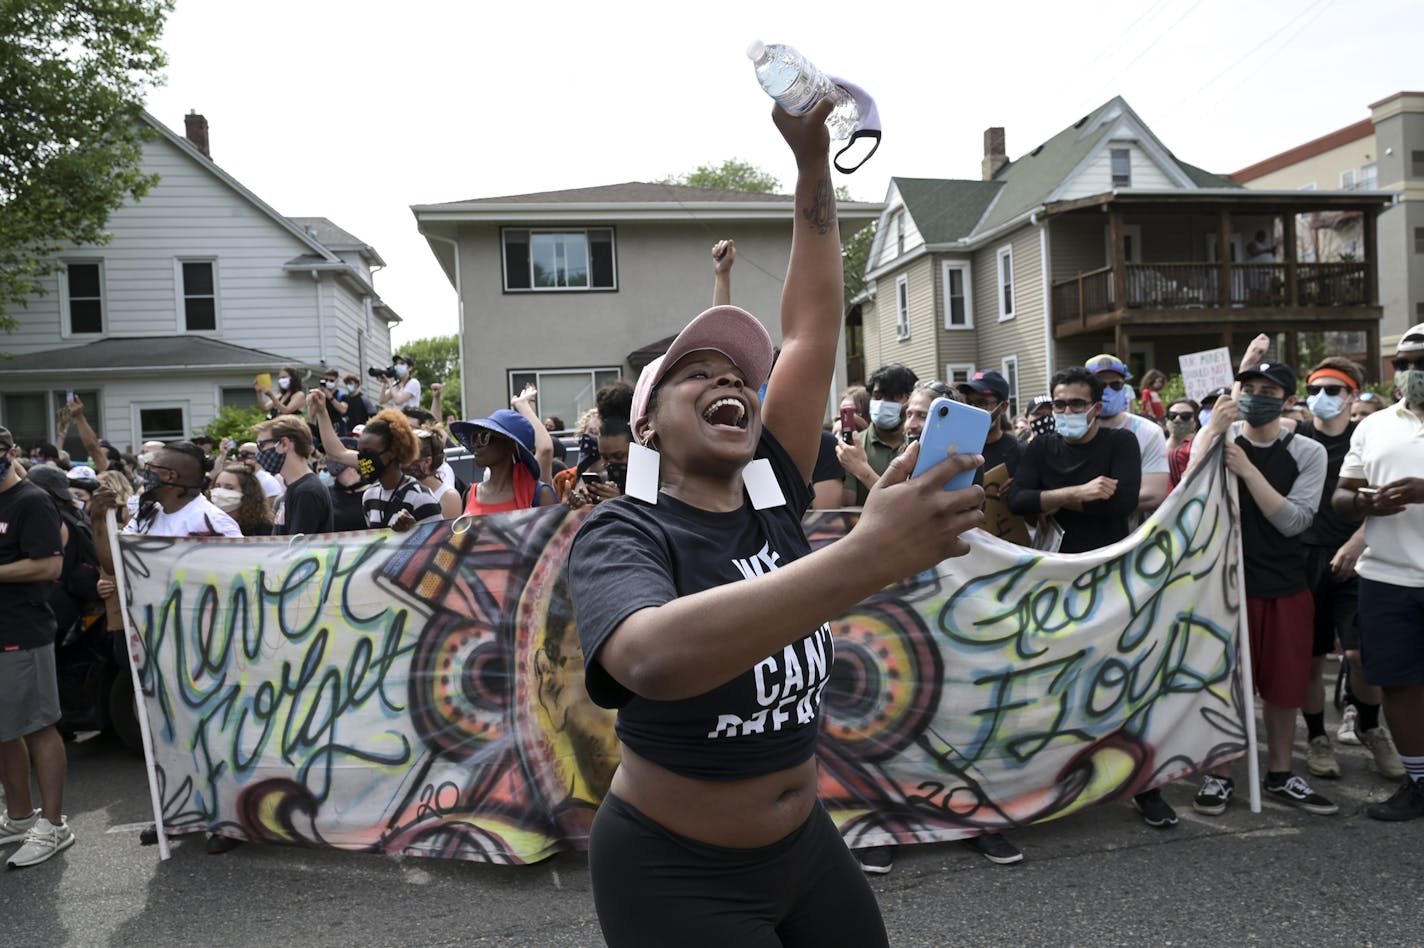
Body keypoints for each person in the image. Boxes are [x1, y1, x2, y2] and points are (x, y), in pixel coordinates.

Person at [568, 98, 985, 948]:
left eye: (739, 374)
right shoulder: (625, 533)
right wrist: (869, 556)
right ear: (645, 427)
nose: (730, 381)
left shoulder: (769, 491)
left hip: (805, 849)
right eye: (697, 373)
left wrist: (810, 166)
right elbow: (651, 656)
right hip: (672, 871)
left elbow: (812, 327)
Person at [1188, 358, 1335, 816]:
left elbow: (1294, 521)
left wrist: (1248, 471)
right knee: (1224, 685)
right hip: (1225, 586)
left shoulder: (1308, 452)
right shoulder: (1220, 440)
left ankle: (1280, 773)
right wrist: (1213, 431)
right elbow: (1189, 487)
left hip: (1286, 583)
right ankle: (1220, 774)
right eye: (1249, 387)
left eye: (1268, 392)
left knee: (1285, 688)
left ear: (1288, 401)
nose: (1256, 397)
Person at [1331, 322, 1424, 820]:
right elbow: (1342, 498)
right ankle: (1418, 782)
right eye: (1404, 363)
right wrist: (1365, 503)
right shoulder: (1373, 425)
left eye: (1422, 362)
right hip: (1387, 577)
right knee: (1399, 685)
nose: (1412, 372)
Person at [1294, 358, 1402, 783]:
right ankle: (1318, 738)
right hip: (1303, 559)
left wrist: (1357, 541)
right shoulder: (1297, 439)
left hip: (1359, 557)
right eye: (1315, 388)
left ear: (1352, 395)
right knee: (1310, 657)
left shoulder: (1369, 440)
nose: (1323, 398)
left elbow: (1385, 500)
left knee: (1360, 655)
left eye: (1334, 390)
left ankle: (1371, 727)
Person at [0, 427, 72, 869]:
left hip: (22, 631)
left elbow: (50, 564)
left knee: (38, 725)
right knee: (4, 729)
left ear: (8, 454)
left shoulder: (31, 501)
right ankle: (18, 816)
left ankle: (54, 824)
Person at [452, 386, 557, 517]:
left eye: (484, 437)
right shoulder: (470, 494)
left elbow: (557, 536)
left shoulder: (540, 494)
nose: (476, 445)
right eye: (474, 437)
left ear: (510, 445)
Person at [1085, 354, 1168, 514]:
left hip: (1132, 535)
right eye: (1100, 384)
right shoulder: (1070, 431)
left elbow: (1154, 495)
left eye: (1116, 385)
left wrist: (1082, 505)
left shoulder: (1148, 432)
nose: (1107, 390)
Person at [838, 363, 918, 506]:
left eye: (893, 398)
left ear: (910, 401)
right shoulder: (853, 446)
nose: (882, 404)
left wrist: (862, 471)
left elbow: (910, 506)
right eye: (877, 396)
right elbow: (846, 506)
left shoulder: (918, 447)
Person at [254, 415, 333, 536]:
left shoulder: (307, 492)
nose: (259, 452)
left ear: (285, 444)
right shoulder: (295, 489)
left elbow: (297, 550)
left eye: (261, 445)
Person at [407, 428, 462, 520]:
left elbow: (447, 533)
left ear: (427, 462)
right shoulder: (404, 489)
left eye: (408, 456)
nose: (400, 461)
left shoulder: (449, 497)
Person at [209, 461, 273, 537]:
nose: (220, 492)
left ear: (247, 492)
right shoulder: (206, 523)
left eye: (229, 488)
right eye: (217, 486)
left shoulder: (263, 527)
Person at [1164, 398, 1200, 489]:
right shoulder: (1155, 447)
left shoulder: (1201, 448)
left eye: (1185, 416)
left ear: (1195, 421)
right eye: (1173, 415)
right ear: (1166, 420)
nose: (1177, 419)